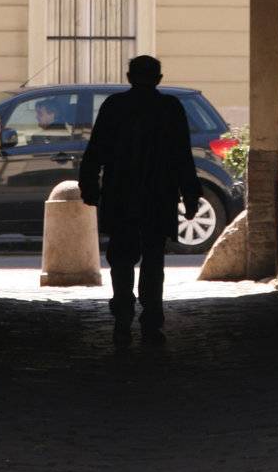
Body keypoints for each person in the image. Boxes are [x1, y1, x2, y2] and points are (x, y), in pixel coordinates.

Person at [79, 55, 202, 346]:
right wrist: (191, 193)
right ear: (159, 78)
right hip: (158, 195)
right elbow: (182, 156)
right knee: (153, 259)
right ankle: (151, 319)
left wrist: (89, 185)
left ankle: (122, 317)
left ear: (129, 77)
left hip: (121, 194)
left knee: (121, 258)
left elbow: (95, 150)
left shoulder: (114, 107)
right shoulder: (170, 109)